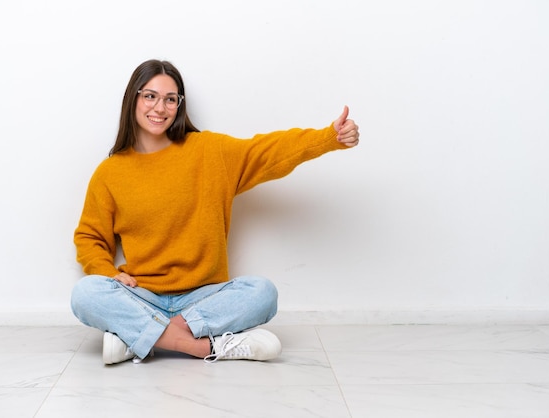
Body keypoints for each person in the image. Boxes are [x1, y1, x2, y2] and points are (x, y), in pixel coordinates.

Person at [70, 59, 360, 365]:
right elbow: (89, 236)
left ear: (179, 105)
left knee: (262, 292)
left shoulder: (208, 151)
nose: (160, 108)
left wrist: (329, 138)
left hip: (204, 298)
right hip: (144, 296)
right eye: (150, 96)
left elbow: (266, 150)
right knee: (86, 293)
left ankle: (139, 338)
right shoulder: (110, 172)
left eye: (171, 99)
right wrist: (108, 273)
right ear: (134, 98)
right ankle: (201, 347)